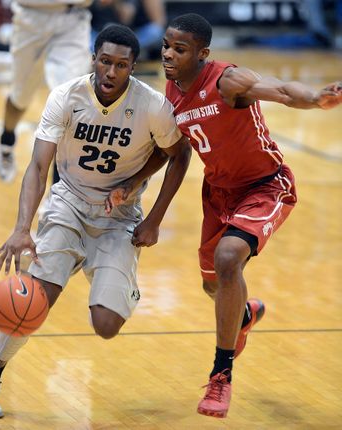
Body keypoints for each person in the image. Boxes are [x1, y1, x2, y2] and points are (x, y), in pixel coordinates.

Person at [0, 23, 191, 419]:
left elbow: (178, 153)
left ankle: (120, 279)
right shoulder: (67, 96)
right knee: (33, 303)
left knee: (106, 325)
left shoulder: (153, 106)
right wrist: (22, 227)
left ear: (133, 67)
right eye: (105, 61)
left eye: (121, 65)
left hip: (118, 217)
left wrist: (153, 214)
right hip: (68, 205)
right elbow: (39, 166)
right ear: (93, 59)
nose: (111, 72)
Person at [160, 13, 342, 419]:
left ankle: (220, 376)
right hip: (218, 193)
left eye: (180, 49)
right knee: (215, 286)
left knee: (228, 261)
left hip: (265, 187)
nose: (169, 55)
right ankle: (242, 316)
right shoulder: (172, 89)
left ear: (203, 54)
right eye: (167, 46)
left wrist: (315, 98)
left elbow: (279, 90)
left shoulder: (228, 81)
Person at [0, 0, 96, 184]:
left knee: (68, 100)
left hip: (73, 17)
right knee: (20, 97)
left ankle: (58, 193)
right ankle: (7, 139)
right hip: (31, 17)